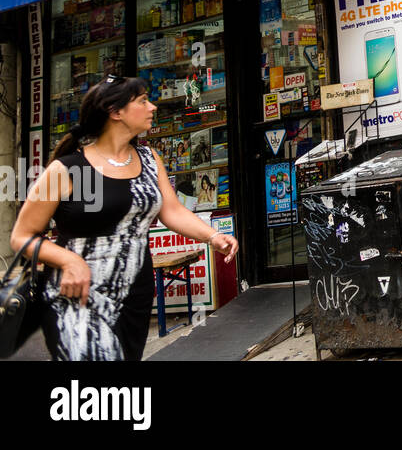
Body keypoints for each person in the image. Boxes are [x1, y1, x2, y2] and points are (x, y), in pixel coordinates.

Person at [8, 76, 238, 361]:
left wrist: (213, 237)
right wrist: (69, 260)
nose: (152, 107)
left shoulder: (150, 159)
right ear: (115, 112)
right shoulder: (65, 169)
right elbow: (21, 236)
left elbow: (173, 211)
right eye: (142, 101)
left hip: (134, 294)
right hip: (77, 294)